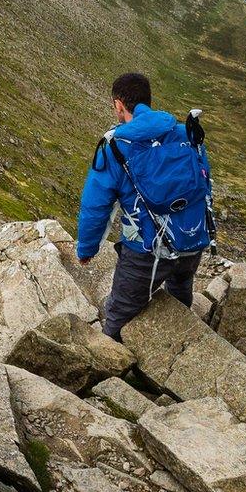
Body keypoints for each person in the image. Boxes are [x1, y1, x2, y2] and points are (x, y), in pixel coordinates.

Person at [76, 72, 214, 341]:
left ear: (119, 105)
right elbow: (204, 183)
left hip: (147, 250)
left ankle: (111, 375)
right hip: (193, 237)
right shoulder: (186, 133)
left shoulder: (116, 146)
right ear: (147, 101)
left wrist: (86, 249)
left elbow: (96, 206)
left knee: (119, 312)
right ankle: (181, 345)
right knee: (180, 290)